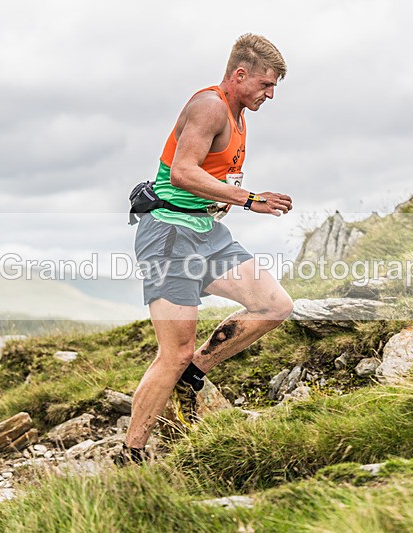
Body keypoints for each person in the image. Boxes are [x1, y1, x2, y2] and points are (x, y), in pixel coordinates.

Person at [119, 34, 294, 465]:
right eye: (265, 85)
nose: (270, 95)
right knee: (172, 352)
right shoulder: (210, 106)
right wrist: (250, 199)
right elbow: (181, 173)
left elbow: (212, 177)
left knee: (274, 305)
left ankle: (194, 373)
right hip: (170, 236)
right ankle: (132, 454)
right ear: (240, 75)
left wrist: (226, 200)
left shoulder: (237, 113)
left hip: (207, 234)